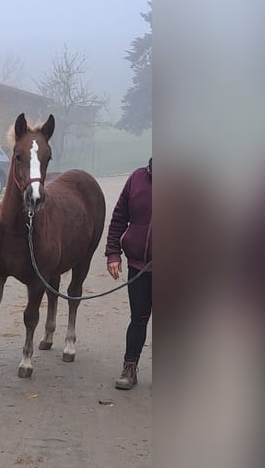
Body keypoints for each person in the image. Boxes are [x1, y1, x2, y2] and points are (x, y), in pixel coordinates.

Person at [106, 157, 152, 390]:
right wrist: (113, 253)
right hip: (139, 267)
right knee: (138, 319)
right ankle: (129, 368)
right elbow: (119, 218)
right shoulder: (137, 178)